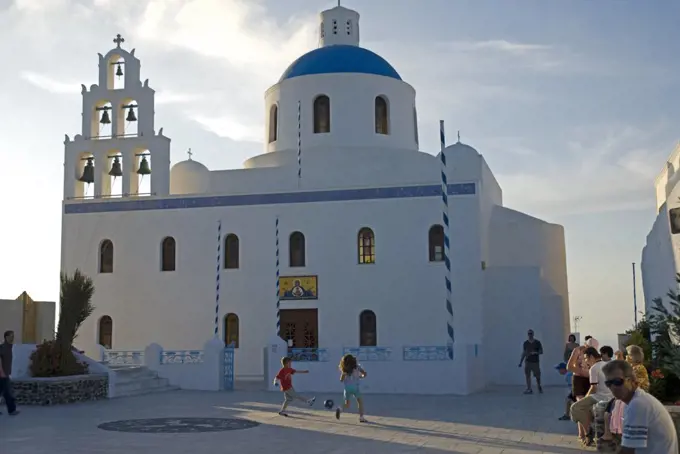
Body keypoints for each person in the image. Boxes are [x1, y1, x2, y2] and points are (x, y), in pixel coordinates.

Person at [603, 359, 678, 453]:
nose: (613, 387)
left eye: (618, 382)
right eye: (608, 384)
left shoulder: (637, 404)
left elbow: (628, 450)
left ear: (631, 380)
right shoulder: (635, 401)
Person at [599, 345, 650, 449]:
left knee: (615, 406)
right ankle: (612, 432)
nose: (627, 357)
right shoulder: (634, 366)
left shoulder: (638, 368)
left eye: (628, 355)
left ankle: (615, 432)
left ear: (632, 356)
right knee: (611, 407)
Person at [570, 346, 613, 447]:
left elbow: (593, 388)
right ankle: (590, 430)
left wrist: (585, 398)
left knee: (575, 407)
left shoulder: (594, 368)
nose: (585, 361)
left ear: (592, 357)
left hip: (600, 396)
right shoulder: (607, 364)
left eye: (586, 358)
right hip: (611, 397)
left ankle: (588, 432)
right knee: (585, 407)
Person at [335, 354, 368, 423]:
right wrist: (362, 376)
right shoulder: (357, 367)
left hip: (347, 388)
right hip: (355, 387)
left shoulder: (345, 370)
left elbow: (341, 380)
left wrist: (344, 374)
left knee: (347, 404)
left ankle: (340, 409)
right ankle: (361, 417)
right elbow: (364, 374)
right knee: (360, 402)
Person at [567, 336, 598, 400]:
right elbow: (569, 367)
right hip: (579, 378)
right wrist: (582, 372)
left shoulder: (594, 353)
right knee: (580, 400)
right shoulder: (577, 350)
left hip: (590, 378)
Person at [518, 329, 543, 394]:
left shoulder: (537, 342)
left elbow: (541, 351)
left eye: (531, 333)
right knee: (527, 375)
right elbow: (524, 353)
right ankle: (529, 388)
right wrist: (520, 362)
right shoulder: (526, 343)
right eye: (529, 334)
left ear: (533, 334)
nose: (530, 335)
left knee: (537, 375)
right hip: (528, 361)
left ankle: (539, 386)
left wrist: (536, 352)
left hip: (535, 362)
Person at [0, 330, 19, 416]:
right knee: (7, 393)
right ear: (6, 337)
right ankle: (12, 410)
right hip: (2, 374)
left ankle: (12, 410)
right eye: (11, 336)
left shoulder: (9, 347)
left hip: (5, 373)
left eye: (13, 336)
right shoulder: (3, 347)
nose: (12, 338)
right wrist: (2, 372)